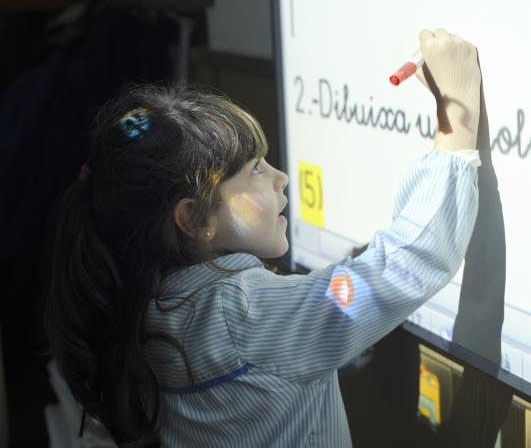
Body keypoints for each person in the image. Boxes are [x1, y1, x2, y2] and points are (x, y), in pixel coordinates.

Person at [45, 28, 483, 447]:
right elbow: (406, 264)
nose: (281, 178)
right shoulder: (245, 314)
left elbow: (262, 373)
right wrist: (456, 114)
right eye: (255, 169)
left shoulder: (155, 307)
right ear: (195, 219)